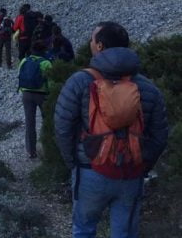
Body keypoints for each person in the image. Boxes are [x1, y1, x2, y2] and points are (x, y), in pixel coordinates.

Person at [55, 22, 168, 238]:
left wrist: (73, 164)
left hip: (89, 170)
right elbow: (160, 135)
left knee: (84, 229)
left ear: (100, 46)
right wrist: (142, 165)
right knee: (124, 233)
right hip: (130, 173)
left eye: (91, 40)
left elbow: (62, 127)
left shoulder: (79, 82)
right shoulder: (148, 87)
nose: (89, 43)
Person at [18, 40, 52, 159]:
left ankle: (31, 151)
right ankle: (48, 149)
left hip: (26, 94)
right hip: (42, 95)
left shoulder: (24, 61)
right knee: (47, 122)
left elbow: (20, 75)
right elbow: (51, 81)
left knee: (29, 122)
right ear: (43, 51)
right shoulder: (46, 63)